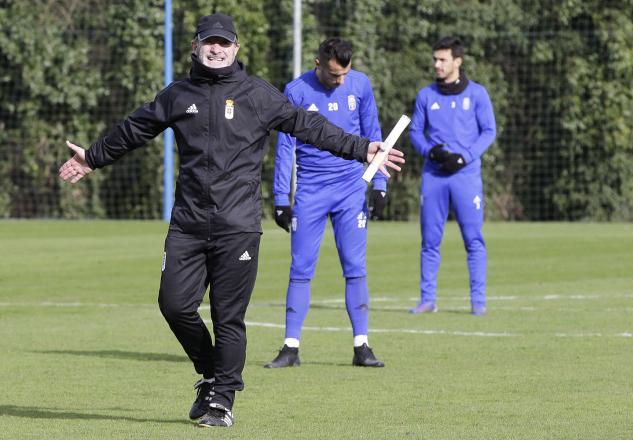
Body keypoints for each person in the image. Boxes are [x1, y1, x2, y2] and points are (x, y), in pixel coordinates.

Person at [58, 13, 404, 428]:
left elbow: (307, 125)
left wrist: (362, 148)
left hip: (237, 226)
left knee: (228, 317)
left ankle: (222, 399)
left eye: (224, 43)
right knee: (173, 305)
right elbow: (136, 129)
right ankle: (210, 373)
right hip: (187, 224)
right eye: (209, 42)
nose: (217, 49)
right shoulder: (177, 94)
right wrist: (93, 157)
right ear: (196, 46)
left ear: (236, 49)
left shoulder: (257, 94)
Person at [264, 38, 387, 369]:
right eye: (334, 75)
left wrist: (380, 183)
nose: (341, 81)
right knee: (301, 268)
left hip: (350, 190)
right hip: (310, 192)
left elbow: (374, 135)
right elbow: (285, 148)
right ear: (318, 64)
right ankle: (291, 347)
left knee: (355, 267)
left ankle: (362, 345)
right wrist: (280, 199)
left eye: (345, 74)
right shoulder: (296, 91)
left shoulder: (360, 85)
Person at [409, 36, 496, 316]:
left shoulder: (477, 94)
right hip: (434, 176)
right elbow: (414, 133)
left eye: (442, 59)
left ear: (457, 61)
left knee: (473, 239)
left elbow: (489, 131)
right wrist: (430, 152)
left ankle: (478, 303)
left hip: (466, 177)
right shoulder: (426, 95)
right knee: (430, 240)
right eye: (435, 59)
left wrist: (465, 157)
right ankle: (427, 300)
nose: (437, 64)